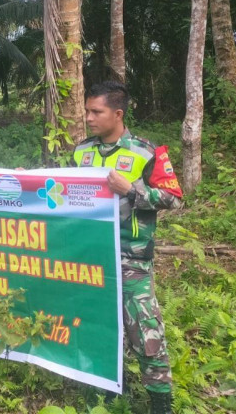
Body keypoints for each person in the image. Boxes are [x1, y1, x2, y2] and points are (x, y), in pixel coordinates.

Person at [73, 81, 182, 414]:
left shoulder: (146, 152)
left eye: (96, 111)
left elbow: (174, 199)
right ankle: (108, 387)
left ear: (117, 114)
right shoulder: (82, 152)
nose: (89, 117)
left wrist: (131, 190)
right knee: (98, 325)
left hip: (131, 257)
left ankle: (160, 400)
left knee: (144, 330)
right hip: (92, 255)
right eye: (87, 110)